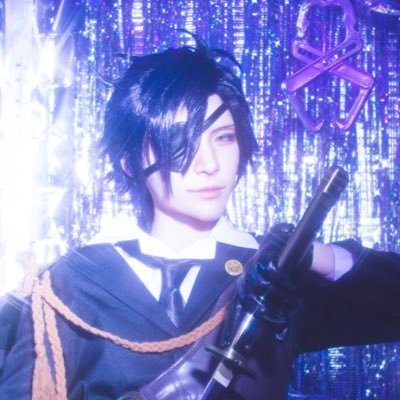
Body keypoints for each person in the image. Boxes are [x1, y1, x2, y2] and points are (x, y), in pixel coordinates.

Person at [1, 35, 400, 400]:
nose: (209, 164)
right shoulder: (68, 286)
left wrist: (314, 256)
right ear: (129, 162)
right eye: (180, 142)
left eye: (223, 138)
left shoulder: (269, 276)